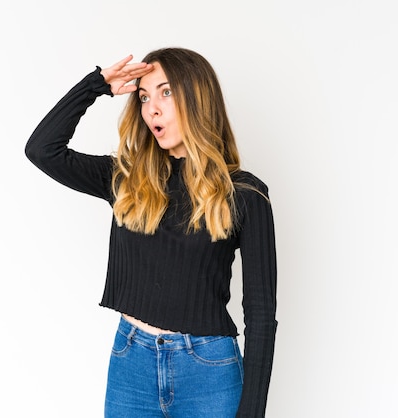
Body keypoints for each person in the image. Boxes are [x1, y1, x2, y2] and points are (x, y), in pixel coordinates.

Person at [25, 47, 277, 417]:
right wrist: (95, 86)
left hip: (209, 371)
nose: (151, 108)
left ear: (198, 98)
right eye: (143, 97)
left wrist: (252, 412)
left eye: (166, 92)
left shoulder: (245, 195)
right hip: (132, 364)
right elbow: (42, 150)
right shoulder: (126, 180)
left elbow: (260, 313)